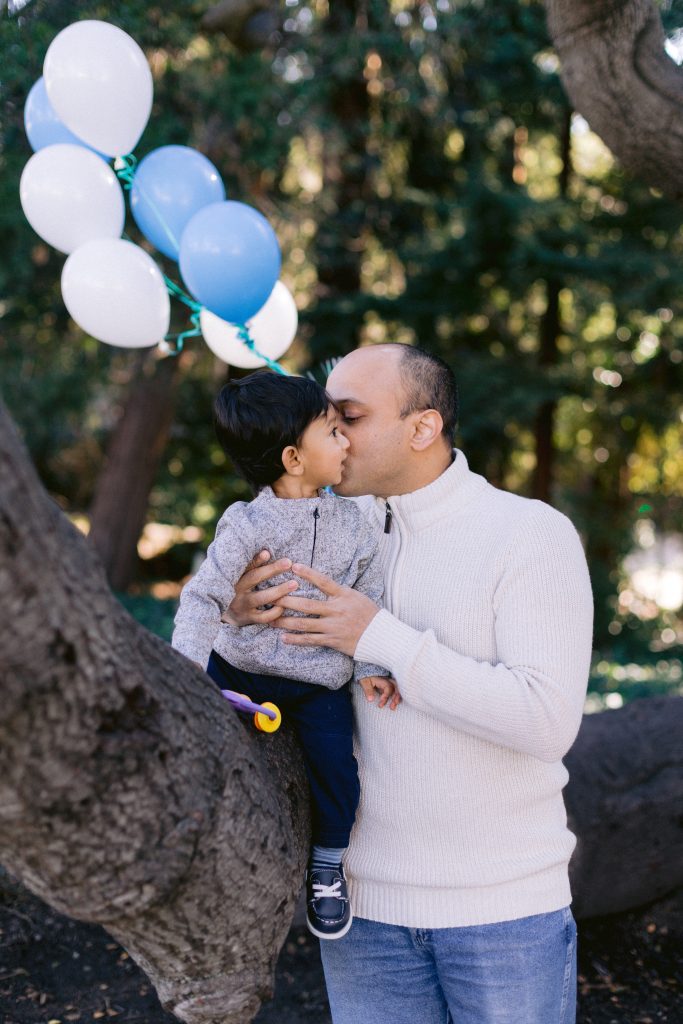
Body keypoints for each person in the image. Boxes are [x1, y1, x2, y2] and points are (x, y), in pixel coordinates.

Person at [223, 344, 594, 1024]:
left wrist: (379, 637)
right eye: (325, 417)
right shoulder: (315, 532)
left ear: (422, 428)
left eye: (349, 416)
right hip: (358, 915)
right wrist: (236, 621)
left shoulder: (530, 534)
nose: (328, 433)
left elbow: (545, 721)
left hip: (504, 915)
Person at [171, 371, 398, 941]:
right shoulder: (247, 523)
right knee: (209, 752)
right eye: (333, 432)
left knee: (338, 773)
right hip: (240, 667)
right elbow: (204, 596)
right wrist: (185, 672)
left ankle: (326, 866)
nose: (346, 441)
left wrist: (371, 666)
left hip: (318, 681)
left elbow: (368, 597)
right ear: (295, 459)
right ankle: (194, 850)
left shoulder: (356, 525)